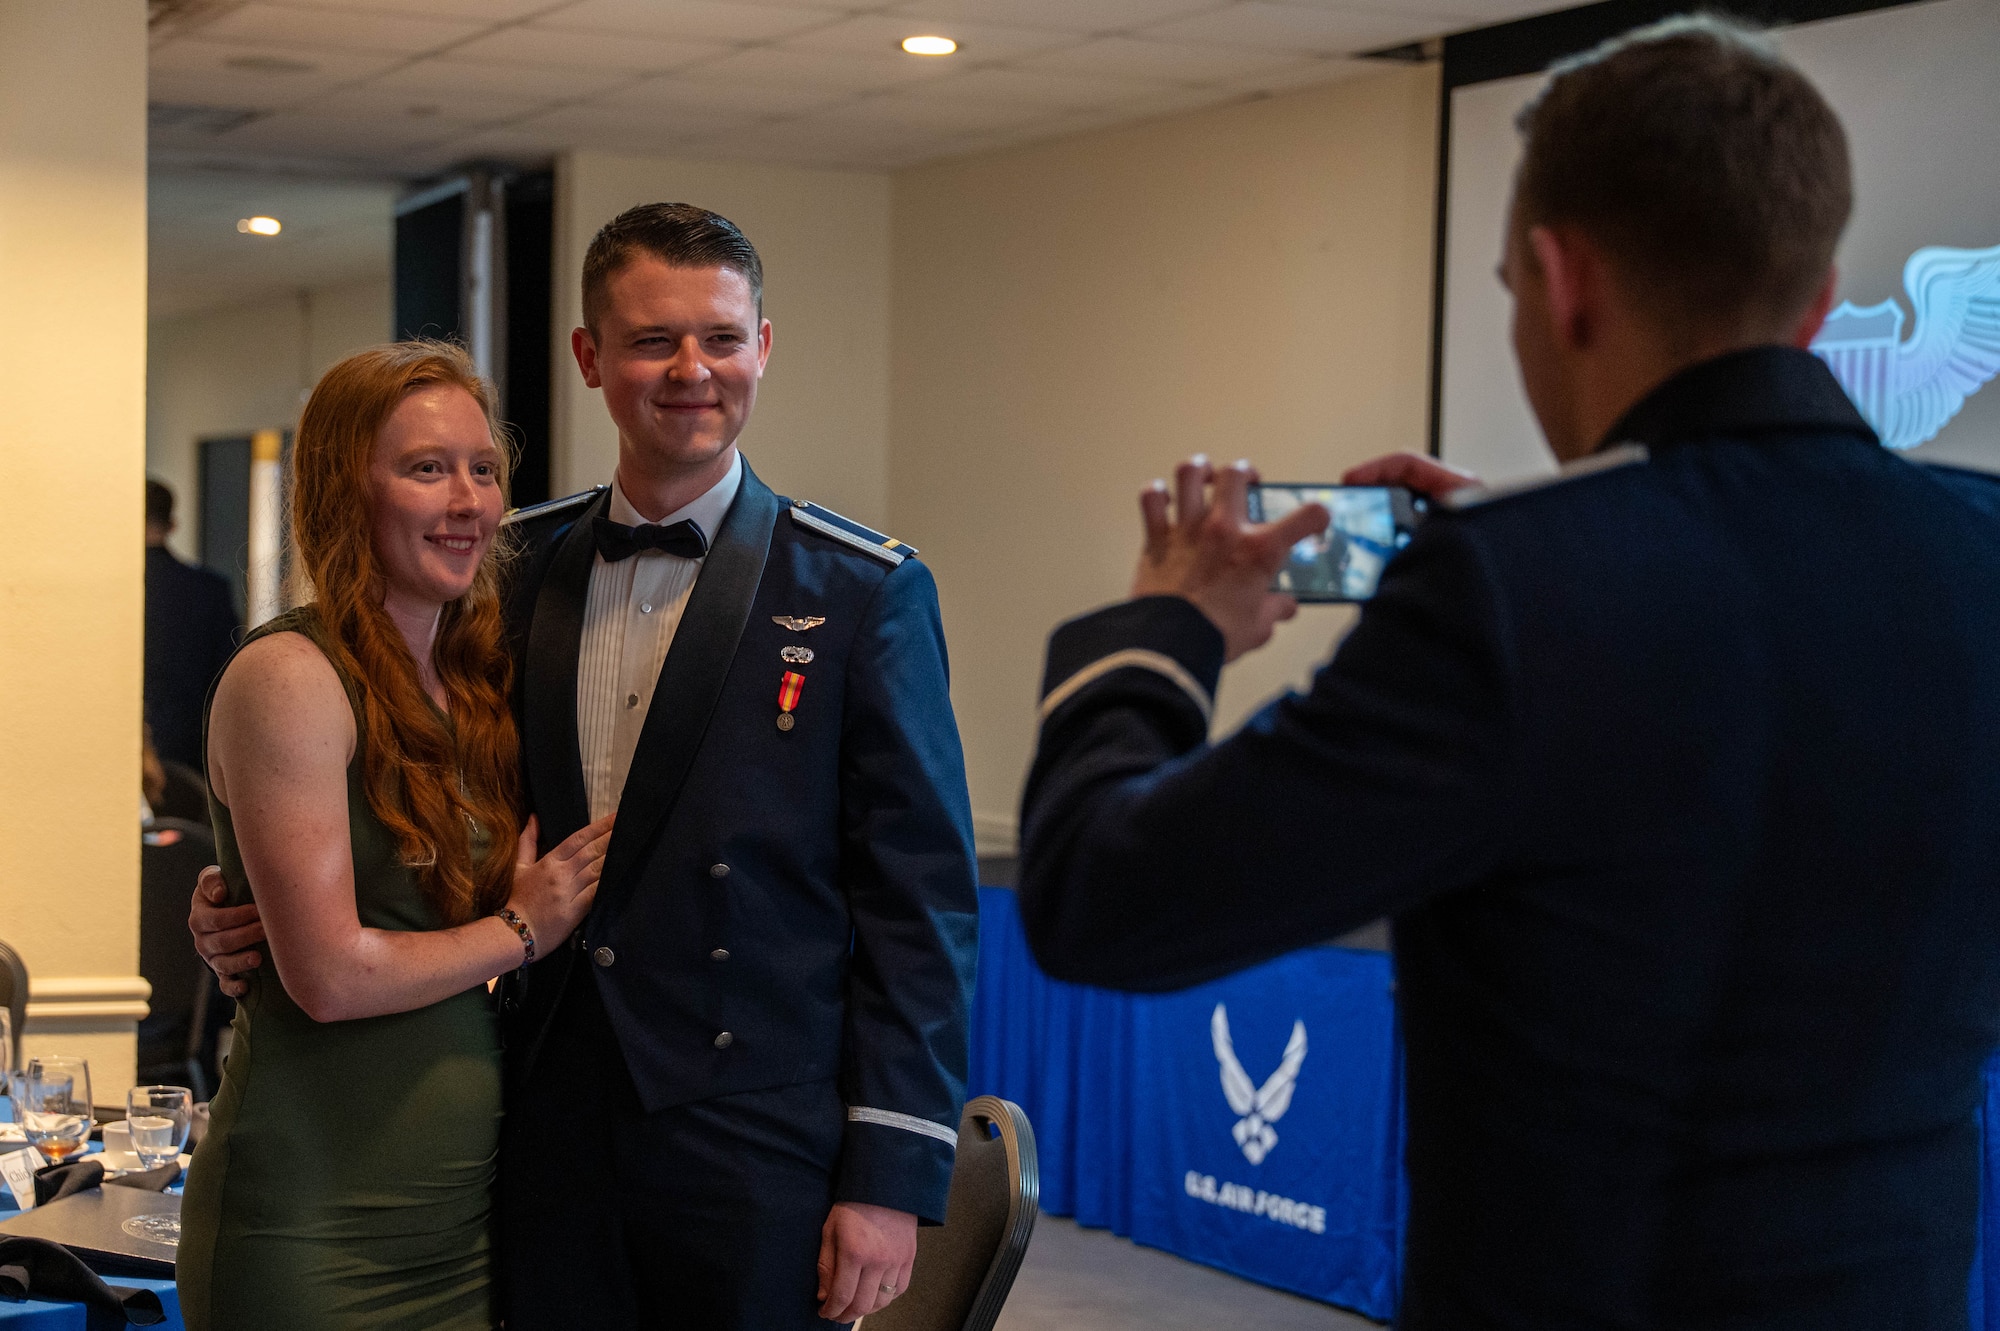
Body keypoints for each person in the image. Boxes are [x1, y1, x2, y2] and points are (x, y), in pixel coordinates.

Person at [1016, 17, 2000, 1330]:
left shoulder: (1506, 593)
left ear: (1559, 275)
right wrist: (1566, 547)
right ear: (1819, 297)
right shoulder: (1976, 550)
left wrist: (1174, 626)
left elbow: (1104, 899)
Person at [195, 206, 979, 1329]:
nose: (690, 370)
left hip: (752, 1143)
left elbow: (921, 907)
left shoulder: (859, 590)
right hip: (535, 1126)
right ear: (589, 358)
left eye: (719, 336)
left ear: (763, 345)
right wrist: (237, 892)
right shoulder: (509, 569)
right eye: (653, 339)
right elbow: (399, 792)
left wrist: (887, 1177)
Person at [177, 342, 615, 1330]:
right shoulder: (290, 674)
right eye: (426, 468)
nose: (467, 500)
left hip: (461, 1222)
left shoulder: (476, 680)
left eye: (482, 468)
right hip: (313, 1226)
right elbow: (329, 975)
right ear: (346, 489)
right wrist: (520, 924)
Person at [144, 478, 239, 771]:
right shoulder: (210, 589)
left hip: (120, 748)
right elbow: (228, 675)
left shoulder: (112, 593)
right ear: (173, 525)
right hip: (193, 753)